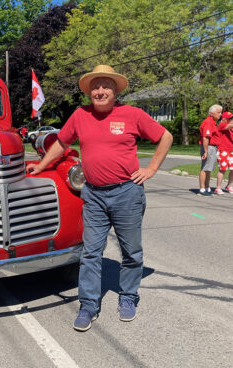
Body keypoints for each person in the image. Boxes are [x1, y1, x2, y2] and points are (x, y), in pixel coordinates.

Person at [26, 65, 172, 332]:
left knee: (131, 252)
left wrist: (150, 169)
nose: (100, 91)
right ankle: (89, 305)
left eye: (106, 86)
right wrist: (42, 165)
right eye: (96, 87)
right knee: (91, 253)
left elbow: (165, 136)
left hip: (127, 192)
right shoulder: (80, 115)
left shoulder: (132, 114)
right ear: (89, 91)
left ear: (115, 90)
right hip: (93, 194)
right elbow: (61, 143)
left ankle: (128, 297)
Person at [198, 105, 222, 196]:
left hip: (212, 147)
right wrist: (206, 151)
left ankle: (207, 188)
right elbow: (206, 138)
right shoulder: (208, 122)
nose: (220, 114)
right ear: (211, 113)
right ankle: (202, 189)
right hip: (209, 147)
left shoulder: (212, 122)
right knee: (205, 168)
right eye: (218, 112)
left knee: (209, 169)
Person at [214, 111, 233, 194]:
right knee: (222, 169)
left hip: (231, 150)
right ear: (224, 119)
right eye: (230, 118)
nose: (232, 120)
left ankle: (229, 185)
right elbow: (228, 126)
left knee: (232, 169)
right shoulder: (222, 125)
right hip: (223, 150)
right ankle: (218, 187)